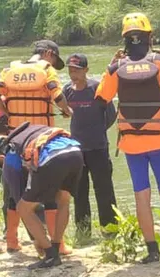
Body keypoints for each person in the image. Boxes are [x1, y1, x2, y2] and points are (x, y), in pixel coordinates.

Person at [95, 12, 160, 264]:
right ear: (150, 36)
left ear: (125, 39)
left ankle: (152, 252)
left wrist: (111, 63)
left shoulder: (116, 68)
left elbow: (100, 101)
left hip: (131, 143)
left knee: (142, 196)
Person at [0, 39, 73, 254]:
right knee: (50, 191)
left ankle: (12, 241)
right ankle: (58, 244)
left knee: (14, 191)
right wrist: (67, 111)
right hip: (42, 142)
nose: (54, 64)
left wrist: (8, 115)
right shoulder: (46, 71)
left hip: (16, 138)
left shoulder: (9, 69)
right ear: (48, 53)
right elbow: (58, 96)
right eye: (54, 59)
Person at [0, 123, 83, 269]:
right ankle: (56, 248)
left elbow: (20, 202)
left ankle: (50, 255)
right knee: (63, 201)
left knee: (23, 208)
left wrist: (37, 239)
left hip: (52, 157)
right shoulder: (33, 130)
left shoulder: (10, 153)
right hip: (75, 151)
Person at [62, 53, 118, 238]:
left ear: (86, 70)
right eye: (70, 70)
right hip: (76, 149)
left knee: (104, 190)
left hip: (98, 147)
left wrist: (98, 130)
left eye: (77, 70)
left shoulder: (97, 88)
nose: (73, 74)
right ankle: (83, 231)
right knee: (79, 192)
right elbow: (64, 112)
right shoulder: (67, 91)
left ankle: (110, 230)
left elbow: (111, 115)